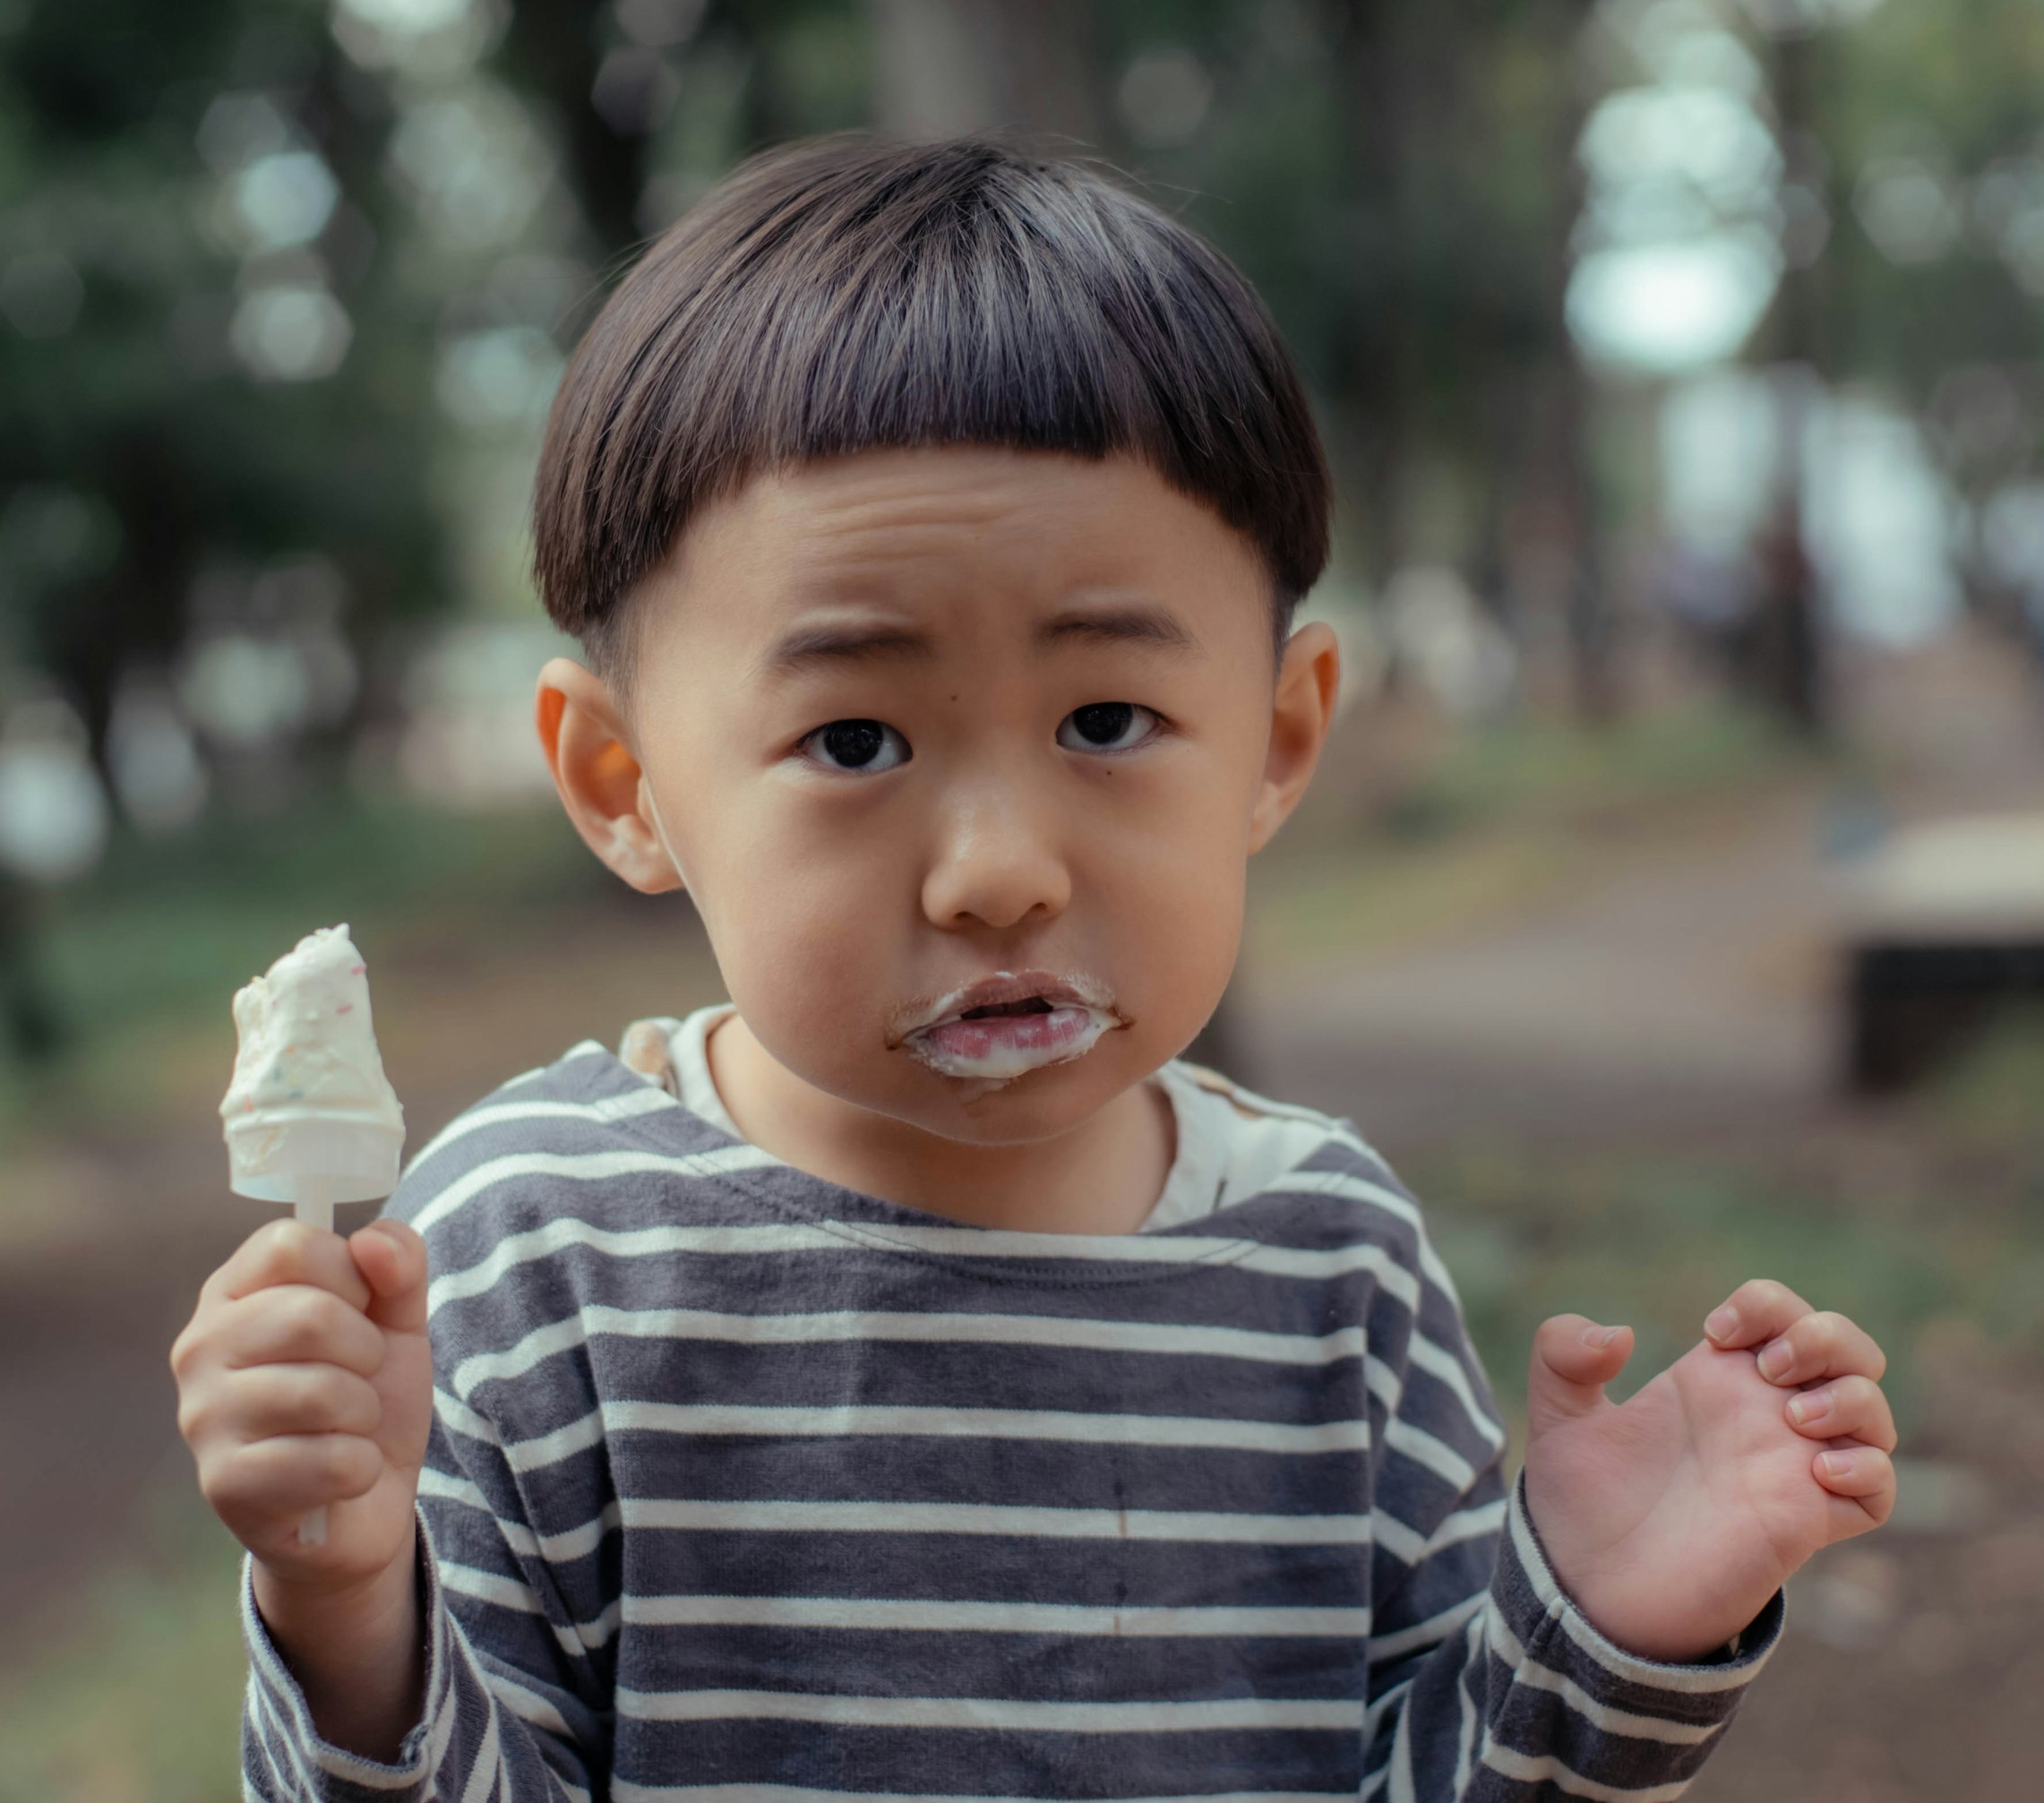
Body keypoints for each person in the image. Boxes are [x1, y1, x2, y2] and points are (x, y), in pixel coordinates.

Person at [168, 135, 1899, 1801]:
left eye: (1107, 718)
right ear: (627, 785)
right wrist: (345, 1600)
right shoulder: (529, 1256)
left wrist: (1596, 1630)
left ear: (1279, 739)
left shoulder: (1328, 1267)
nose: (1001, 867)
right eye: (853, 737)